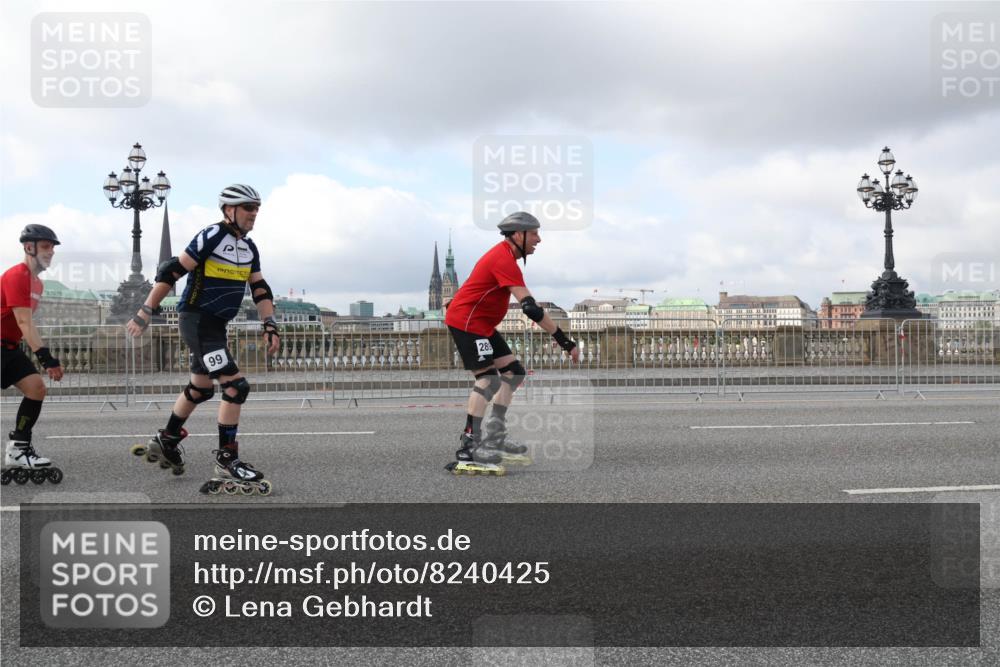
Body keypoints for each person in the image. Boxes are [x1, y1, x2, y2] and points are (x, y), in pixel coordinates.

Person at [126, 184, 280, 495]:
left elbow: (260, 289)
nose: (254, 213)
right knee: (236, 387)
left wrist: (270, 324)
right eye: (248, 207)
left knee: (201, 388)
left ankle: (167, 439)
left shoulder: (249, 248)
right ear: (229, 210)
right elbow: (171, 272)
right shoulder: (212, 236)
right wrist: (145, 311)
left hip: (216, 326)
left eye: (256, 208)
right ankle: (227, 460)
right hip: (197, 322)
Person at [443, 211, 579, 476]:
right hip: (467, 321)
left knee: (513, 373)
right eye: (535, 233)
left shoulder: (506, 257)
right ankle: (469, 448)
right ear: (519, 234)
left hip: (481, 323)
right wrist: (565, 341)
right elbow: (530, 308)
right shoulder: (502, 258)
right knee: (488, 380)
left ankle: (495, 436)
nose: (539, 239)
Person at [1, 225, 65, 485]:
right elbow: (24, 322)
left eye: (52, 248)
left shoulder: (37, 283)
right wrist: (47, 359)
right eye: (46, 246)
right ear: (29, 247)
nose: (51, 252)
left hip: (10, 347)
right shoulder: (16, 276)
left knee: (36, 388)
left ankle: (18, 449)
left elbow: (25, 327)